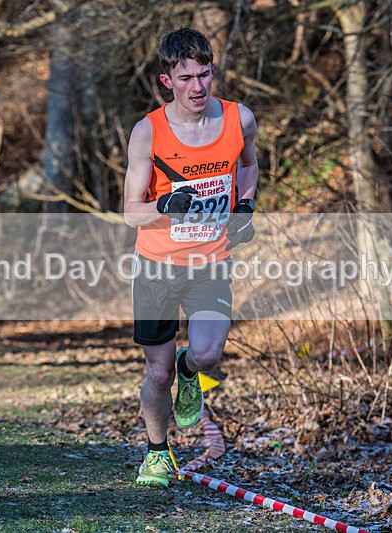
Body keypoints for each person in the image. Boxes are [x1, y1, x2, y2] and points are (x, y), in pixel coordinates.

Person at [123, 28, 259, 487]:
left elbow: (249, 165)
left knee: (206, 353)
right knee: (158, 373)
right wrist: (164, 204)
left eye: (204, 75)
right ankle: (157, 453)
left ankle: (190, 369)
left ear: (213, 71)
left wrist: (245, 205)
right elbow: (130, 212)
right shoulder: (148, 132)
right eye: (185, 78)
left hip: (210, 261)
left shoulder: (239, 119)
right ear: (167, 81)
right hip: (156, 266)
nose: (197, 87)